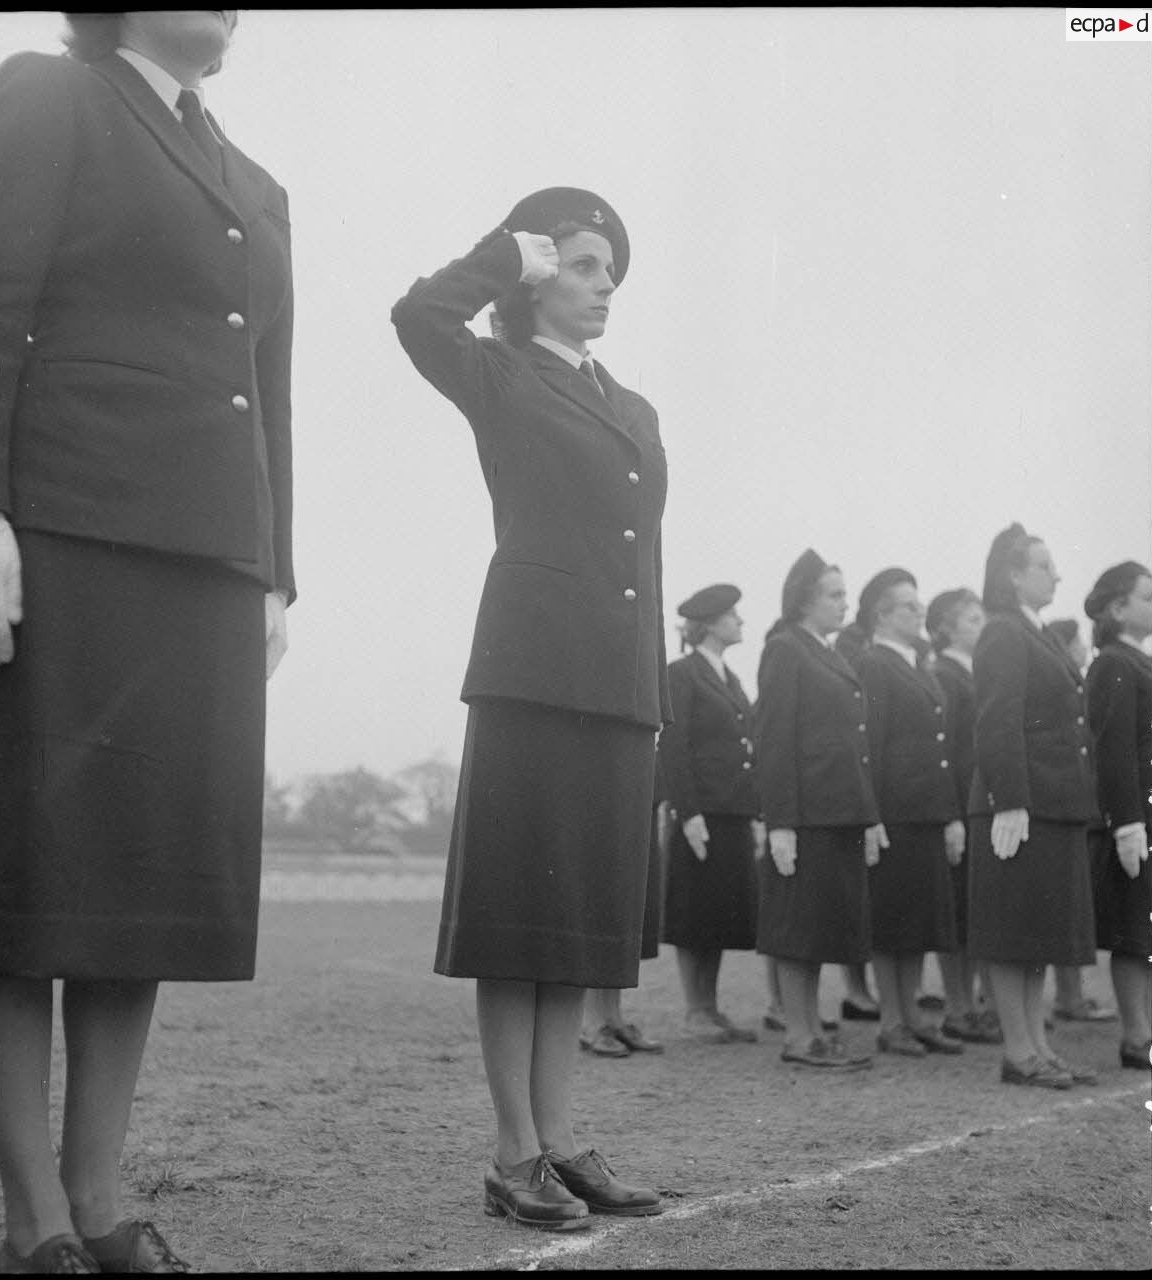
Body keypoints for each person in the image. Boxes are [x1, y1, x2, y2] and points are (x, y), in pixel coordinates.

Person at [0, 12, 293, 1274]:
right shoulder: (52, 93)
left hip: (202, 563)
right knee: (31, 879)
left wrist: (275, 573)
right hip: (62, 530)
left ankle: (99, 1203)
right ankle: (31, 1219)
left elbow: (273, 389)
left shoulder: (255, 182)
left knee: (133, 886)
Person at [392, 188, 669, 1230]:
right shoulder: (497, 372)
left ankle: (557, 1137)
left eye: (611, 272)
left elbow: (643, 558)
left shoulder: (631, 404)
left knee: (576, 926)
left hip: (612, 683)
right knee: (520, 920)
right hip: (532, 670)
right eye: (585, 265)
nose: (603, 286)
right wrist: (502, 253)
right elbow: (417, 317)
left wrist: (650, 694)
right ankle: (513, 1151)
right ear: (540, 272)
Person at [966, 525, 1099, 1089]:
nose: (1056, 575)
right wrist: (1010, 801)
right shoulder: (1002, 632)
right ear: (1013, 574)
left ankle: (1038, 1045)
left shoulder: (1034, 631)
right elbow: (997, 720)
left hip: (1052, 803)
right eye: (1044, 565)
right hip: (1019, 805)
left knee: (1039, 932)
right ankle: (1018, 1051)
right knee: (1011, 929)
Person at [754, 550, 879, 1071]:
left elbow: (853, 745)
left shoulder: (828, 652)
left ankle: (809, 1031)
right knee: (797, 931)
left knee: (816, 930)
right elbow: (774, 738)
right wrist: (779, 821)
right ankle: (800, 1036)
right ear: (805, 598)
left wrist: (868, 815)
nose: (844, 602)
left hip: (838, 814)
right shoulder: (785, 648)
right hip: (805, 816)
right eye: (833, 593)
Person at [853, 570, 964, 1058]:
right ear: (881, 614)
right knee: (892, 920)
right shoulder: (875, 663)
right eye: (908, 608)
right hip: (894, 812)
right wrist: (871, 814)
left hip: (924, 812)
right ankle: (891, 1020)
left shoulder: (916, 663)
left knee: (919, 921)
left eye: (920, 608)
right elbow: (870, 745)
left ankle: (913, 1015)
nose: (918, 615)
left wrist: (949, 812)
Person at [658, 584, 761, 1044]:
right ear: (712, 623)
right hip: (700, 811)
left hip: (733, 810)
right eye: (732, 616)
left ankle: (711, 1007)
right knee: (694, 913)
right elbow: (674, 747)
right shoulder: (683, 674)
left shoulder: (729, 678)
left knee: (719, 913)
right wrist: (688, 811)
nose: (740, 622)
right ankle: (694, 1010)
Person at [1083, 562, 1152, 1068]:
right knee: (1135, 930)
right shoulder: (1113, 663)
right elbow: (1114, 751)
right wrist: (1127, 824)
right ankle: (1136, 1036)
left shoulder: (1139, 661)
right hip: (1135, 820)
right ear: (1118, 608)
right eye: (1146, 597)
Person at [926, 589, 1002, 1044]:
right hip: (958, 806)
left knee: (974, 912)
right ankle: (957, 1006)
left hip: (981, 809)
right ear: (947, 629)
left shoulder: (976, 672)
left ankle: (972, 1003)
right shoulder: (945, 675)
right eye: (973, 619)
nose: (982, 626)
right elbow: (946, 752)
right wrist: (951, 813)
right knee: (956, 913)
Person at [1043, 618, 1117, 1025]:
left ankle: (1073, 995)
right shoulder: (1074, 688)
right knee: (1069, 907)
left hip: (1085, 806)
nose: (1084, 649)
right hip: (1082, 809)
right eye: (1078, 643)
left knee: (1074, 910)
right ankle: (1068, 997)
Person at [579, 774, 668, 1057]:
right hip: (600, 782)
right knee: (601, 894)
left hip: (636, 779)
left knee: (625, 901)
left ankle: (612, 1017)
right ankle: (592, 1022)